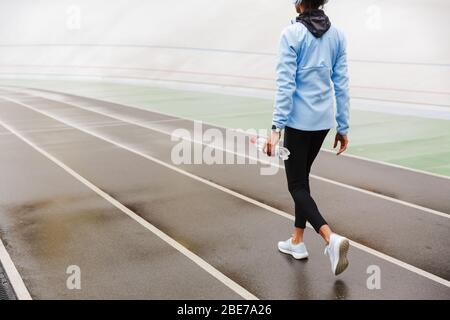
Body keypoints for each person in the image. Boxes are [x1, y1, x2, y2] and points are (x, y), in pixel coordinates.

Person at [264, 0, 351, 276]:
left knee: (296, 185)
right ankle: (297, 242)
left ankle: (330, 239)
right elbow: (342, 82)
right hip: (322, 124)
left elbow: (286, 83)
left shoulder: (291, 34)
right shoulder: (337, 35)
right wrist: (343, 126)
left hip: (298, 124)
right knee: (303, 179)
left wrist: (276, 127)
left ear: (298, 4)